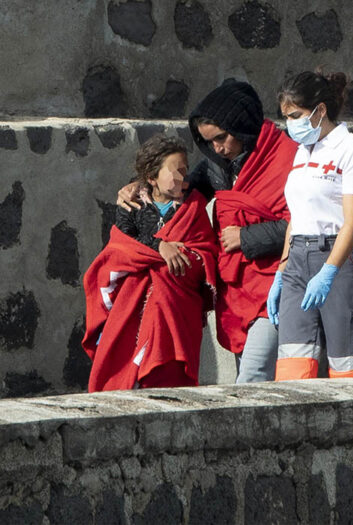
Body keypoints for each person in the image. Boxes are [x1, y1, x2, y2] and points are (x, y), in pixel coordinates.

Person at [117, 81, 296, 383]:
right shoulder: (218, 164)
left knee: (252, 377)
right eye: (209, 142)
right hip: (237, 289)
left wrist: (246, 237)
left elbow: (304, 223)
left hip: (277, 283)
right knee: (250, 376)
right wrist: (139, 187)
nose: (218, 148)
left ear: (242, 126)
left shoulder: (287, 158)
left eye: (223, 138)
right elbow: (179, 190)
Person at [83, 135, 218, 391]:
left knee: (169, 384)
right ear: (152, 177)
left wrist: (180, 259)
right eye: (174, 171)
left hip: (176, 304)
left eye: (185, 170)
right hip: (133, 300)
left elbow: (205, 251)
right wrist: (160, 248)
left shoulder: (193, 206)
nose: (182, 177)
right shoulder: (131, 204)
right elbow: (122, 245)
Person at [268, 70, 353, 380]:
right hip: (298, 258)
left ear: (320, 110)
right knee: (293, 367)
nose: (290, 124)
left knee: (350, 369)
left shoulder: (351, 150)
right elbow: (297, 216)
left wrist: (329, 270)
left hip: (340, 258)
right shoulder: (302, 152)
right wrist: (281, 271)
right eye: (286, 117)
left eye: (295, 115)